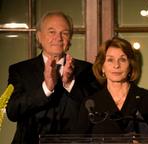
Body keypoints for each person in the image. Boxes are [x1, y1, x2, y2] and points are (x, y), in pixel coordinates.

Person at [6, 11, 100, 144]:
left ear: (70, 39)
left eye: (65, 33)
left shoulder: (87, 70)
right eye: (51, 32)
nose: (58, 37)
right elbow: (12, 112)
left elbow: (97, 111)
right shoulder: (20, 70)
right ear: (39, 36)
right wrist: (46, 88)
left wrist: (70, 84)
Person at [76, 37, 148, 143]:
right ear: (102, 67)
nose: (116, 65)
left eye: (122, 59)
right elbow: (78, 141)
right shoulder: (91, 104)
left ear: (130, 65)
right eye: (110, 60)